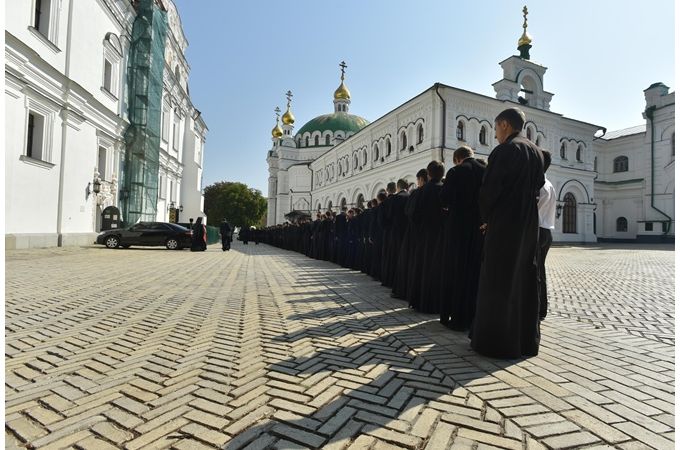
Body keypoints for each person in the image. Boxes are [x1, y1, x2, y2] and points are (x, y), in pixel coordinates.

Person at [471, 107, 545, 359]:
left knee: (498, 278)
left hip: (504, 223)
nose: (494, 135)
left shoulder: (505, 150)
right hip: (528, 224)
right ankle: (524, 340)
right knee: (524, 275)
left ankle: (496, 341)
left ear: (504, 124)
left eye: (495, 128)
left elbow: (490, 189)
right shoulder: (536, 152)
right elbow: (538, 187)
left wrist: (485, 219)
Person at [439, 146, 486, 330]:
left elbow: (444, 198)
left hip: (458, 230)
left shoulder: (456, 171)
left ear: (458, 159)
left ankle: (457, 318)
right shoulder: (485, 170)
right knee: (474, 272)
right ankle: (474, 316)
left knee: (457, 272)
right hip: (479, 230)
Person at [413, 161, 445, 313]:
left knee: (422, 267)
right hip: (440, 236)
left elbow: (412, 213)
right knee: (437, 268)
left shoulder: (421, 191)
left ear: (428, 174)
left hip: (423, 235)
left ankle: (421, 301)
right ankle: (436, 303)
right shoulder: (444, 189)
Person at [537, 150, 556, 320]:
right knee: (540, 271)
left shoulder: (538, 184)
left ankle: (537, 308)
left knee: (534, 272)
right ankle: (541, 308)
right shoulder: (549, 183)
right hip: (546, 231)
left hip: (536, 230)